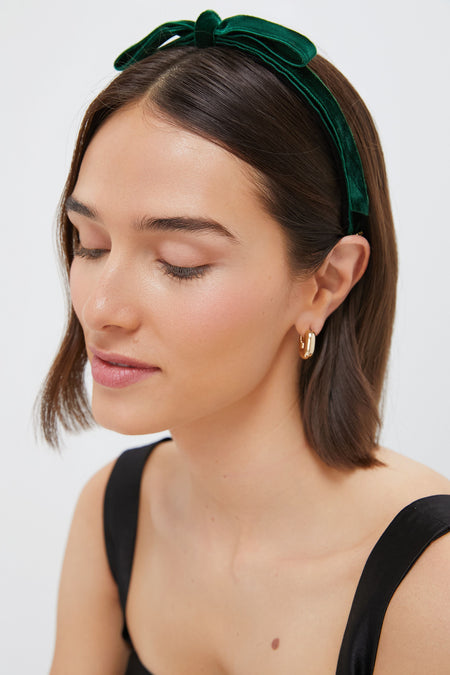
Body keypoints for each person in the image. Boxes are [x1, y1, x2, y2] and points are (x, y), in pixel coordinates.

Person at [40, 10, 450, 675]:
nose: (102, 307)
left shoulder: (432, 580)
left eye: (180, 261)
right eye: (90, 244)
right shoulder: (116, 511)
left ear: (325, 282)